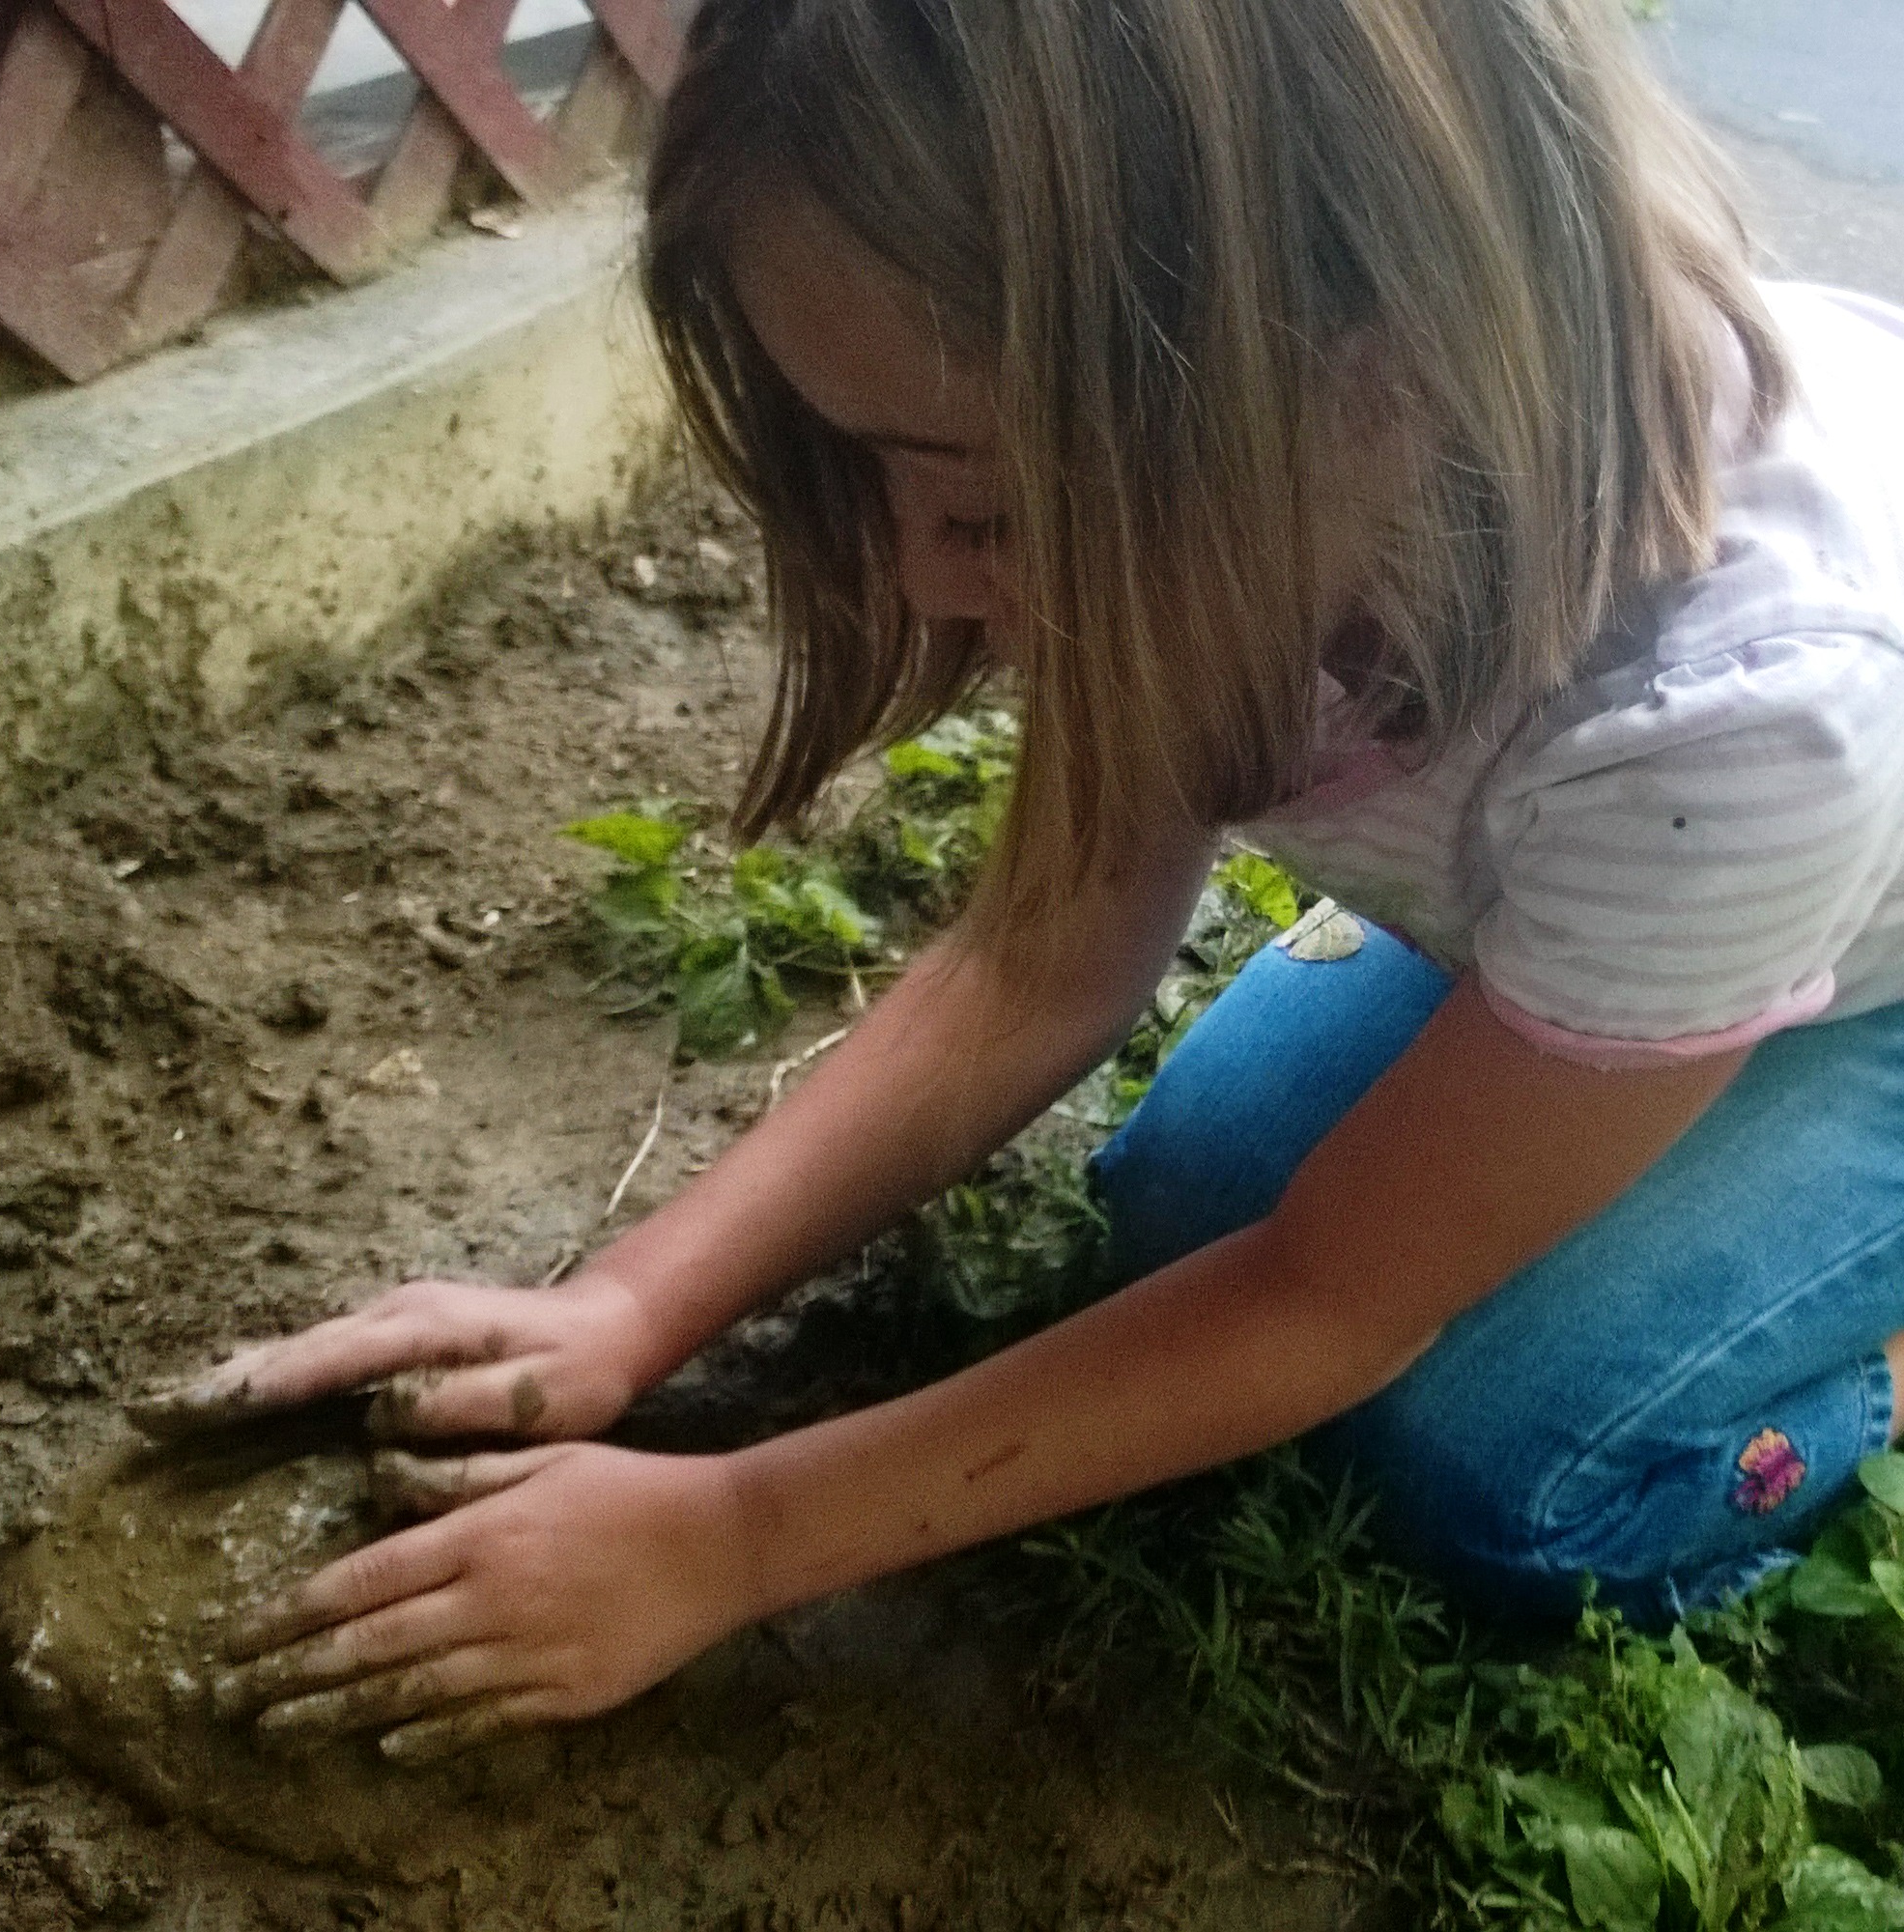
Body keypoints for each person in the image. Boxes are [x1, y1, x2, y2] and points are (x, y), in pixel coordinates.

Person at [148, 0, 1904, 1766]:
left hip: (1835, 927)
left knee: (1491, 1458)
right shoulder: (1235, 442)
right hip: (1676, 890)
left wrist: (734, 1535)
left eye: (984, 503)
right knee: (1186, 1203)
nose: (926, 578)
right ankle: (1593, 1013)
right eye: (878, 473)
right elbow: (1043, 954)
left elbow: (1334, 1303)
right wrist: (630, 1304)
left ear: (1381, 371)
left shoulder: (1739, 718)